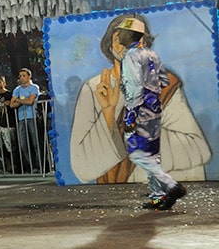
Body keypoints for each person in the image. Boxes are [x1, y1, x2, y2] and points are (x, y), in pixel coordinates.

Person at [70, 13, 211, 185]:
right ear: (110, 42)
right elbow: (81, 165)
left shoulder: (162, 83)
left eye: (136, 39)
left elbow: (196, 147)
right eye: (121, 37)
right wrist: (108, 113)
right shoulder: (92, 89)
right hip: (113, 194)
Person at [114, 17, 188, 209]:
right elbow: (163, 81)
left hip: (139, 111)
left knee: (136, 154)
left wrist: (130, 115)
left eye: (121, 31)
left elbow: (134, 88)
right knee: (152, 155)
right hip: (154, 110)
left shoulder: (130, 56)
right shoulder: (151, 54)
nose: (118, 34)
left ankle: (172, 186)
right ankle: (159, 196)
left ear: (129, 34)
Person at [10, 69, 42, 173]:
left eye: (24, 75)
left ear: (29, 76)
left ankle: (41, 165)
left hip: (32, 117)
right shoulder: (17, 89)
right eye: (20, 76)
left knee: (35, 142)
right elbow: (11, 104)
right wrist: (22, 101)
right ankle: (33, 166)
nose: (21, 78)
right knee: (24, 144)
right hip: (21, 118)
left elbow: (30, 101)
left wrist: (19, 100)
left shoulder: (34, 87)